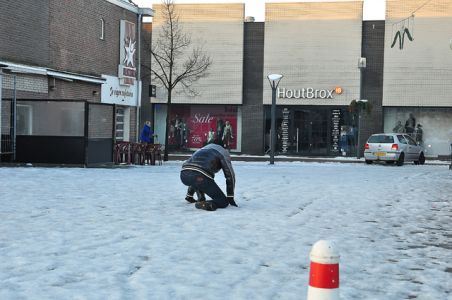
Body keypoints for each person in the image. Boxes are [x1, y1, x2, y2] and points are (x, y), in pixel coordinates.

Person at [180, 143, 237, 211]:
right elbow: (230, 175)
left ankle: (201, 199)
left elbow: (192, 170)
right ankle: (206, 204)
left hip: (183, 175)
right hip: (200, 176)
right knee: (223, 201)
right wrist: (230, 197)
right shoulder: (223, 152)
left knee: (196, 178)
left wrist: (189, 195)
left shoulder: (201, 149)